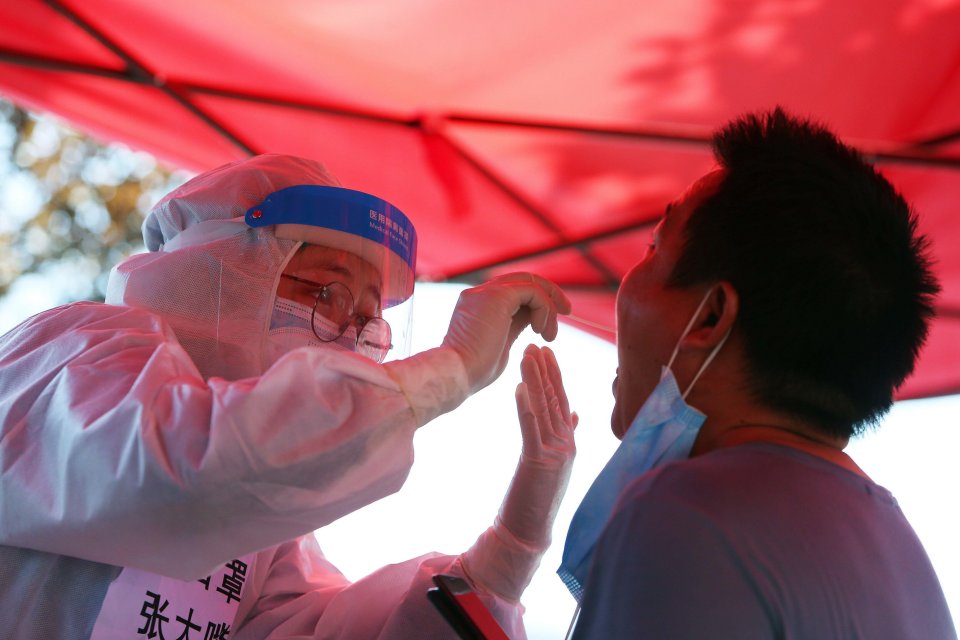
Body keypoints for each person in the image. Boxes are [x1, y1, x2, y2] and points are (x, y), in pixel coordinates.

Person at [0, 153, 577, 639]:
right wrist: (448, 370)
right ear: (226, 267)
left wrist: (505, 558)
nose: (349, 333)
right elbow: (182, 470)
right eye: (328, 292)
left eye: (367, 315)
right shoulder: (75, 347)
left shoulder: (264, 525)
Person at [542, 108, 957, 638]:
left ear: (711, 317)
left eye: (654, 248)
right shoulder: (903, 554)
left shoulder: (685, 514)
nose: (630, 278)